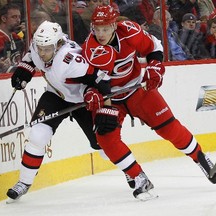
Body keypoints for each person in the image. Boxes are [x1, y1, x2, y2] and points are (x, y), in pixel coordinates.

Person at [6, 20, 154, 202]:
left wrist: (100, 101)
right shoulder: (38, 46)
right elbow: (31, 55)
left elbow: (101, 79)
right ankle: (24, 183)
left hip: (82, 101)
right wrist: (24, 69)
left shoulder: (71, 60)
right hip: (56, 96)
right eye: (40, 48)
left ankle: (135, 174)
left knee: (103, 144)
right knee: (37, 135)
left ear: (59, 44)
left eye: (47, 48)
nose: (42, 53)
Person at [81, 5, 216, 196]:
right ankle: (138, 177)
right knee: (105, 138)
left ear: (114, 25)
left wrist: (154, 67)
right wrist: (91, 93)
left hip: (138, 89)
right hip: (109, 98)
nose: (100, 34)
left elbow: (154, 47)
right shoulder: (89, 48)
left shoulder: (129, 30)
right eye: (97, 28)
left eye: (105, 28)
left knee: (169, 127)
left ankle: (202, 159)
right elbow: (85, 79)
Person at [0, 3, 25, 69]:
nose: (18, 20)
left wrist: (26, 35)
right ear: (4, 18)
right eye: (14, 17)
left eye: (19, 17)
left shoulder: (14, 36)